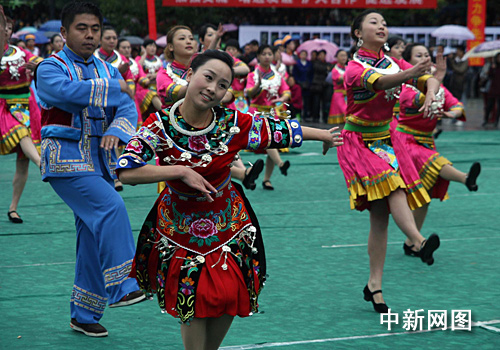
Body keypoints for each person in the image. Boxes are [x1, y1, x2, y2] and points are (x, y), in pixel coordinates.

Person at [116, 49, 343, 350]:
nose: (212, 88)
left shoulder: (231, 123)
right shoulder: (158, 125)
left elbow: (277, 131)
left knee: (229, 295)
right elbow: (128, 172)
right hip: (181, 229)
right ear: (189, 75)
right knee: (194, 299)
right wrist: (179, 171)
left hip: (229, 224)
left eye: (222, 85)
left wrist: (324, 135)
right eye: (208, 78)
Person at [35, 1, 144, 337]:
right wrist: (117, 88)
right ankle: (123, 284)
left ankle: (83, 313)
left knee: (91, 235)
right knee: (111, 209)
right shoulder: (49, 67)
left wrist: (117, 129)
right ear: (64, 32)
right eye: (82, 28)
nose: (90, 35)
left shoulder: (106, 69)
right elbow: (67, 93)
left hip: (100, 162)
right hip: (65, 159)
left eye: (95, 29)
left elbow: (129, 106)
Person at [337, 10, 442, 314]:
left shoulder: (393, 61)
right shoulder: (355, 68)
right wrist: (413, 75)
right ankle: (418, 242)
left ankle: (375, 285)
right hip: (358, 142)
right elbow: (383, 83)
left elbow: (427, 80)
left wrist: (432, 93)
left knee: (380, 217)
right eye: (373, 21)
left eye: (384, 22)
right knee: (394, 187)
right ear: (358, 32)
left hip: (386, 140)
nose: (381, 25)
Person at [393, 43, 481, 256]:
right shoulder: (404, 84)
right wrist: (438, 81)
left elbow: (457, 105)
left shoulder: (437, 85)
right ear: (408, 61)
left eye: (426, 55)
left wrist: (454, 112)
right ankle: (465, 178)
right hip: (405, 141)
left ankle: (412, 243)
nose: (424, 58)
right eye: (418, 55)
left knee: (425, 197)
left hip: (426, 141)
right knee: (435, 161)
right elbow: (422, 100)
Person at [1, 16, 43, 224]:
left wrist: (39, 66)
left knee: (22, 161)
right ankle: (42, 163)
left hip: (26, 105)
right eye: (3, 27)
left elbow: (40, 63)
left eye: (9, 28)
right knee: (20, 132)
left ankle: (13, 208)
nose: (6, 30)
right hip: (3, 106)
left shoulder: (20, 53)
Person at [246, 44, 292, 190]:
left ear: (273, 56)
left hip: (272, 113)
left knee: (272, 145)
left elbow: (287, 91)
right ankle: (280, 164)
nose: (267, 56)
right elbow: (250, 93)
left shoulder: (278, 76)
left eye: (269, 54)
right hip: (257, 114)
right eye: (264, 54)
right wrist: (258, 84)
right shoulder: (252, 75)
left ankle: (266, 179)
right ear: (258, 56)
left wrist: (282, 99)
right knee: (269, 141)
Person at [118, 38, 162, 124]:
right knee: (151, 95)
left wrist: (147, 79)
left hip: (140, 89)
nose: (127, 50)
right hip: (126, 92)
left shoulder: (134, 62)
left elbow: (142, 76)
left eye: (128, 47)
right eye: (124, 48)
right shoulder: (123, 61)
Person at [156, 25, 196, 109]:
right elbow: (176, 93)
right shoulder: (164, 73)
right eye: (182, 38)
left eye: (191, 38)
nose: (189, 42)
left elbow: (228, 93)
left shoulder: (201, 67)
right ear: (171, 47)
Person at [310, 50, 332, 123]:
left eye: (323, 55)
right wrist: (326, 69)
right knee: (316, 102)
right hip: (317, 85)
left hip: (325, 85)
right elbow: (318, 68)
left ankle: (325, 117)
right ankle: (315, 117)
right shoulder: (315, 63)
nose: (321, 56)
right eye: (320, 55)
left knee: (325, 102)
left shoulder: (327, 63)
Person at [327, 49, 348, 124]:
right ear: (337, 57)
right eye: (342, 55)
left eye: (345, 55)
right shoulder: (335, 70)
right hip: (339, 95)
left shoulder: (348, 68)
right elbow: (342, 79)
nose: (344, 58)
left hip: (348, 96)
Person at [293, 50, 313, 121]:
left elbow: (311, 74)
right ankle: (299, 114)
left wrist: (309, 82)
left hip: (307, 85)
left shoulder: (309, 64)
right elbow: (295, 74)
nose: (303, 56)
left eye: (305, 54)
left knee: (307, 101)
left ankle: (305, 115)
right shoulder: (297, 63)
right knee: (299, 100)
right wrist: (298, 82)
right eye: (302, 54)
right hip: (299, 84)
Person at [483, 53, 500, 127]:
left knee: (499, 106)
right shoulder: (493, 66)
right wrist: (492, 68)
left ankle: (496, 121)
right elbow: (489, 76)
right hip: (493, 88)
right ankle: (486, 119)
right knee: (489, 105)